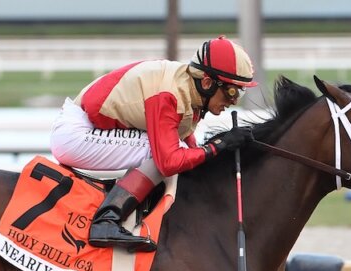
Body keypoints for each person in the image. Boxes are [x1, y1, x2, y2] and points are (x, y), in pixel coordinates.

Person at [50, 36, 256, 252]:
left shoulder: (190, 90)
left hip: (89, 127)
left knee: (176, 152)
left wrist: (214, 151)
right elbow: (168, 161)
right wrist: (219, 145)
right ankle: (106, 221)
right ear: (207, 82)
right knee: (159, 152)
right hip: (75, 134)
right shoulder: (170, 95)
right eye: (232, 91)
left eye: (240, 92)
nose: (233, 101)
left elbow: (191, 149)